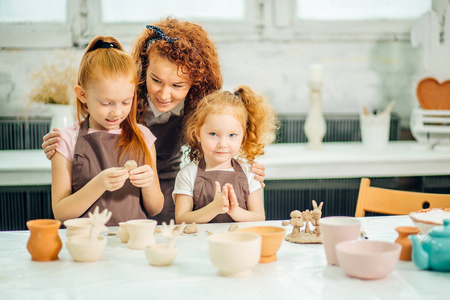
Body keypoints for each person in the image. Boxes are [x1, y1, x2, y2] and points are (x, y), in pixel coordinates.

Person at [42, 17, 266, 224]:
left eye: (177, 86)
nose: (164, 94)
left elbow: (225, 133)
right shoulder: (122, 93)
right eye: (156, 80)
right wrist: (60, 143)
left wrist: (245, 170)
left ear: (195, 84)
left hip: (170, 190)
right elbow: (90, 121)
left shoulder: (200, 108)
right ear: (142, 71)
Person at [51, 36, 163, 226]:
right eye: (106, 103)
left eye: (126, 102)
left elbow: (155, 208)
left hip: (131, 243)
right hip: (88, 243)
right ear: (83, 94)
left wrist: (148, 182)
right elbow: (61, 214)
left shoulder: (143, 137)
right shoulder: (66, 140)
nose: (117, 112)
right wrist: (99, 184)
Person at [174, 85, 278, 224]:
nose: (223, 144)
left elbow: (259, 217)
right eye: (213, 134)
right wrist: (214, 208)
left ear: (243, 137)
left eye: (232, 135)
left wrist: (235, 211)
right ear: (198, 133)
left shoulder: (249, 173)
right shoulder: (187, 174)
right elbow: (181, 219)